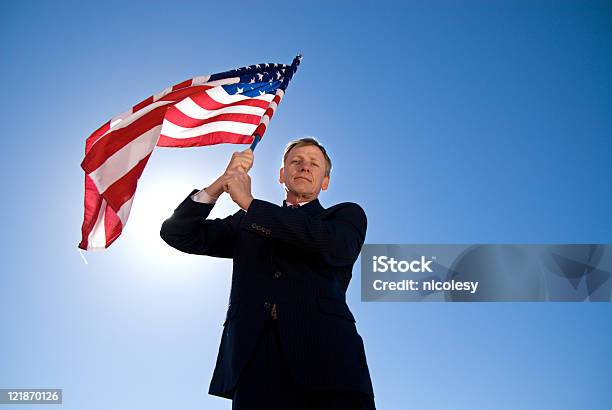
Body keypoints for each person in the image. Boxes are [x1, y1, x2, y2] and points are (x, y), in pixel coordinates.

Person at [160, 137, 376, 409]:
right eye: (296, 162)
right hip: (255, 365)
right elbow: (178, 234)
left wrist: (250, 203)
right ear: (281, 175)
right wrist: (219, 185)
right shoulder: (245, 222)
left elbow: (332, 245)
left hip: (329, 361)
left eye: (313, 164)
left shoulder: (345, 216)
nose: (304, 167)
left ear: (325, 181)